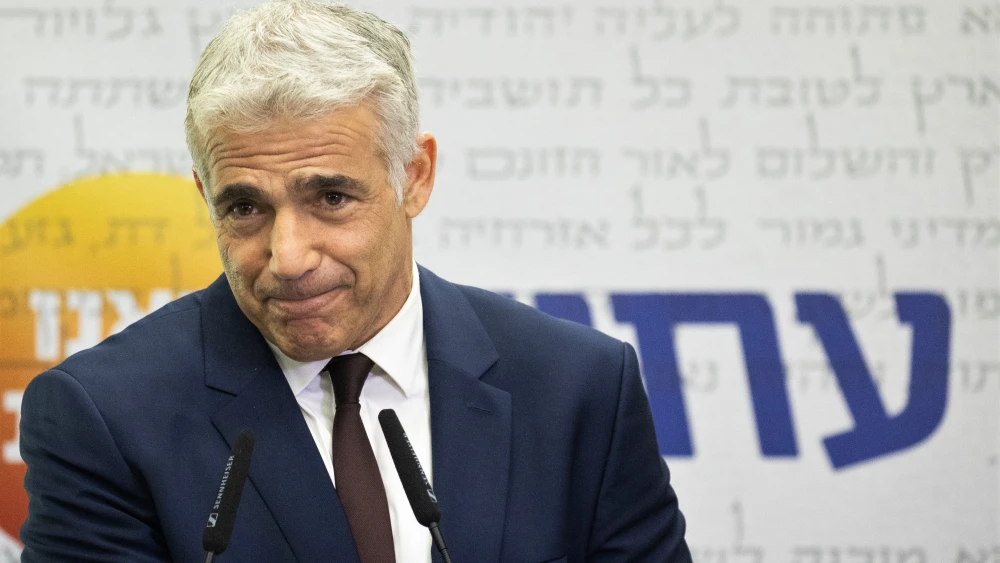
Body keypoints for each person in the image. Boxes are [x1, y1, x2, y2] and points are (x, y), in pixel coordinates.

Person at [19, 1, 691, 561]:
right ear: (206, 195)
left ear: (415, 176)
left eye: (331, 198)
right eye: (245, 207)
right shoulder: (103, 417)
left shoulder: (579, 387)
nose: (288, 255)